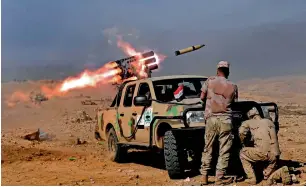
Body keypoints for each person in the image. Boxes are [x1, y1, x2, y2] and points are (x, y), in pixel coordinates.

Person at [200, 61, 238, 185]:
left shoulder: (209, 81)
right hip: (226, 120)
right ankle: (220, 177)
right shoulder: (233, 85)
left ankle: (204, 176)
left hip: (211, 119)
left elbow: (202, 97)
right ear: (228, 71)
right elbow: (234, 102)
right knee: (224, 150)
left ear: (217, 70)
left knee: (208, 148)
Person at [239, 107, 281, 185]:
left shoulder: (248, 122)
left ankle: (252, 178)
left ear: (250, 116)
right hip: (275, 156)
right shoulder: (270, 122)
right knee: (268, 170)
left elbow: (241, 133)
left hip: (262, 153)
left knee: (242, 153)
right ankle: (266, 174)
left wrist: (243, 142)